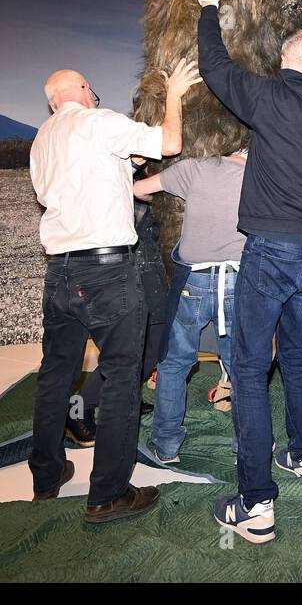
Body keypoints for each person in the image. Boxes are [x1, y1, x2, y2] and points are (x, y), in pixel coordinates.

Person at [190, 0, 302, 544]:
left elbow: (216, 66)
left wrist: (209, 3)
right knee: (297, 356)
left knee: (250, 370)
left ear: (285, 63)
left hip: (271, 252)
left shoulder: (272, 96)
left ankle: (256, 504)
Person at [29, 64, 200, 524]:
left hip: (59, 272)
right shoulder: (98, 122)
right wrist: (176, 94)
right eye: (92, 88)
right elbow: (170, 143)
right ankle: (107, 494)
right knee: (124, 376)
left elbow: (77, 188)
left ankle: (46, 476)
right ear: (84, 90)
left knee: (55, 375)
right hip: (106, 270)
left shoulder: (42, 138)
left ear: (52, 101)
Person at [133, 149, 247, 463]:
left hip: (193, 281)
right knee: (243, 368)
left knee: (174, 364)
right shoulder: (266, 173)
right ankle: (246, 448)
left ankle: (166, 445)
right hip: (240, 283)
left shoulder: (194, 168)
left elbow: (138, 189)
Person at [66, 160, 172, 447]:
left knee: (145, 349)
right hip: (137, 275)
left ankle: (125, 399)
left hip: (144, 275)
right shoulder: (126, 187)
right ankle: (78, 408)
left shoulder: (130, 183)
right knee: (137, 351)